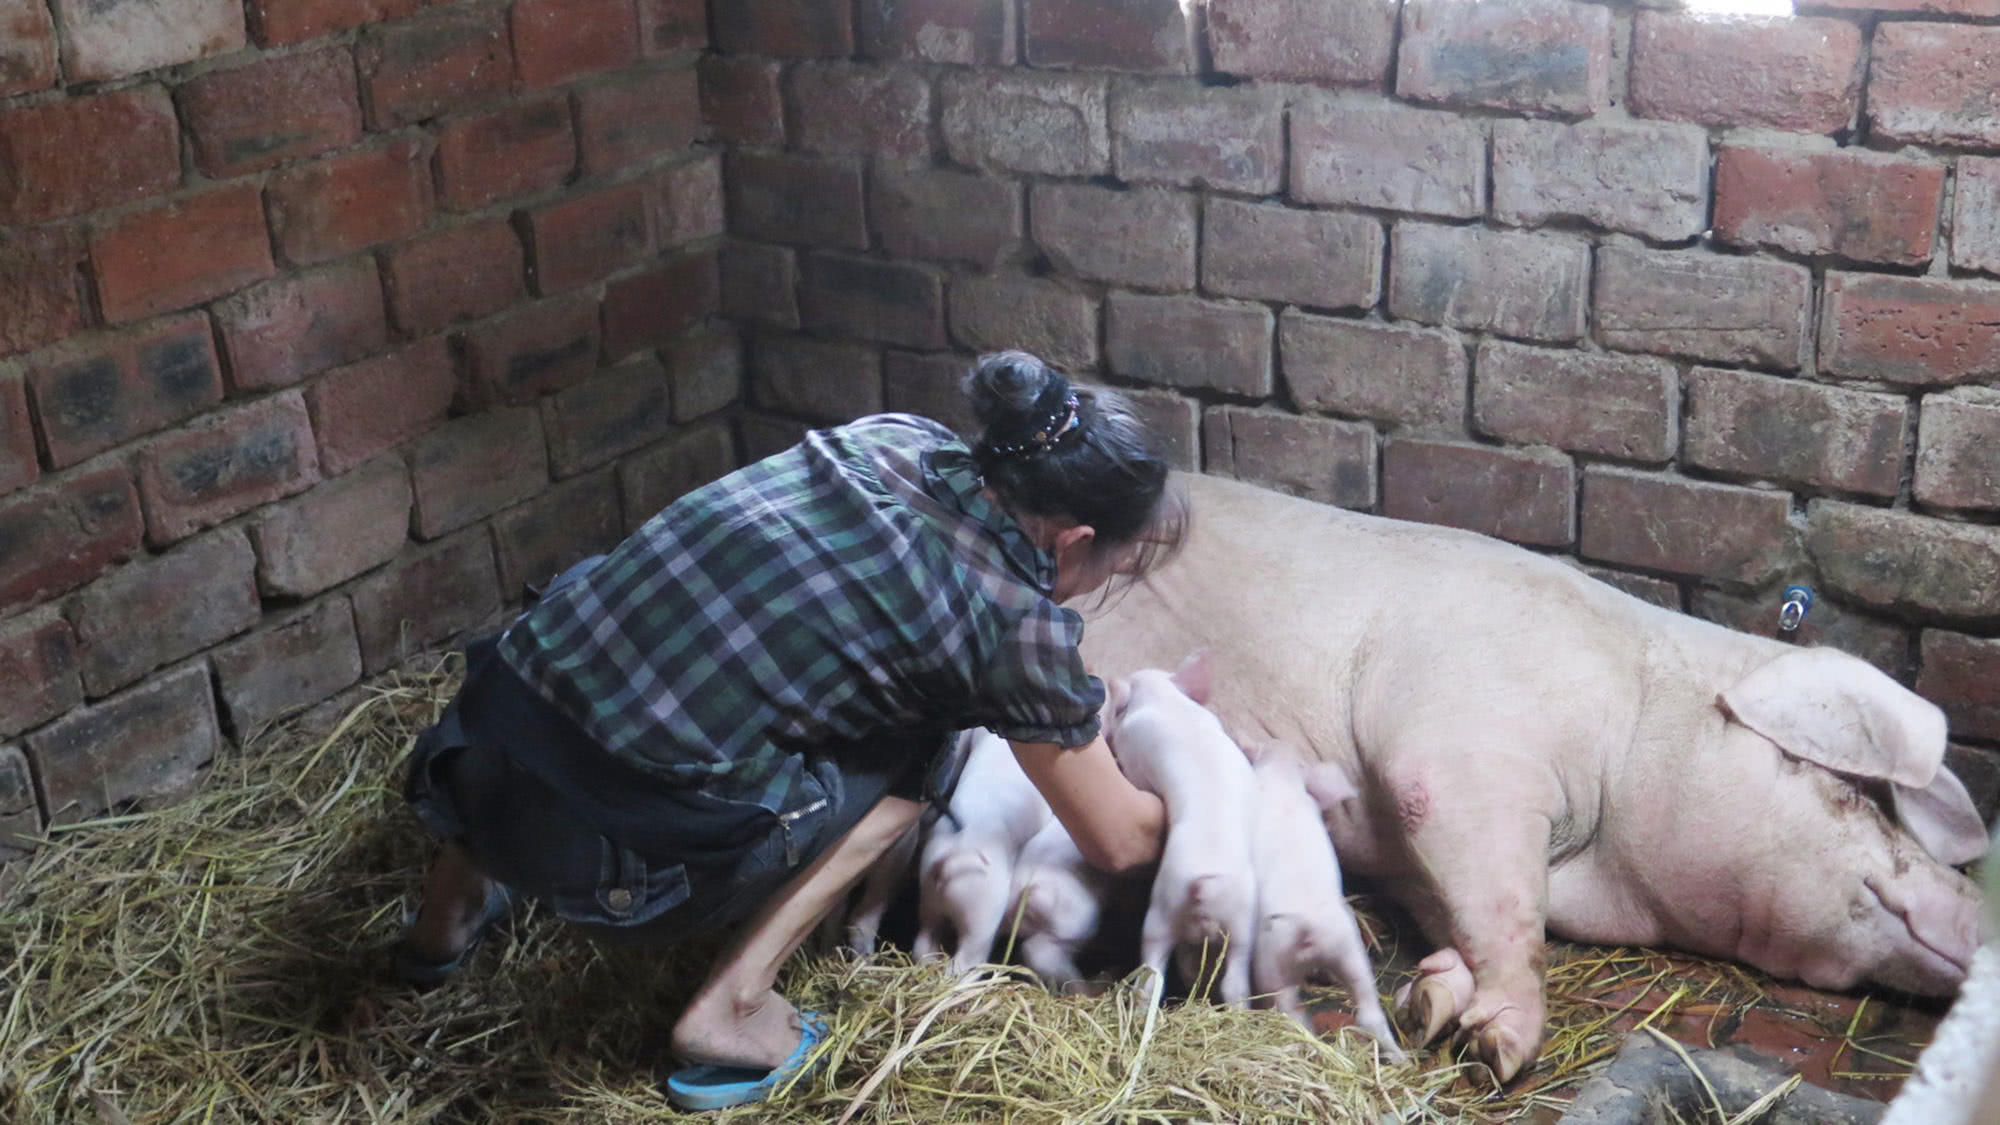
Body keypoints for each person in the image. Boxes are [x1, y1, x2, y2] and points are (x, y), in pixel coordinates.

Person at [395, 350, 1188, 1110]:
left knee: (596, 613)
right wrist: (1191, 787)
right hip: (618, 865)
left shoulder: (895, 437)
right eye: (1110, 571)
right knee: (927, 748)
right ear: (1073, 540)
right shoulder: (1015, 627)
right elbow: (1117, 840)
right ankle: (733, 1007)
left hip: (479, 750)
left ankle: (443, 921)